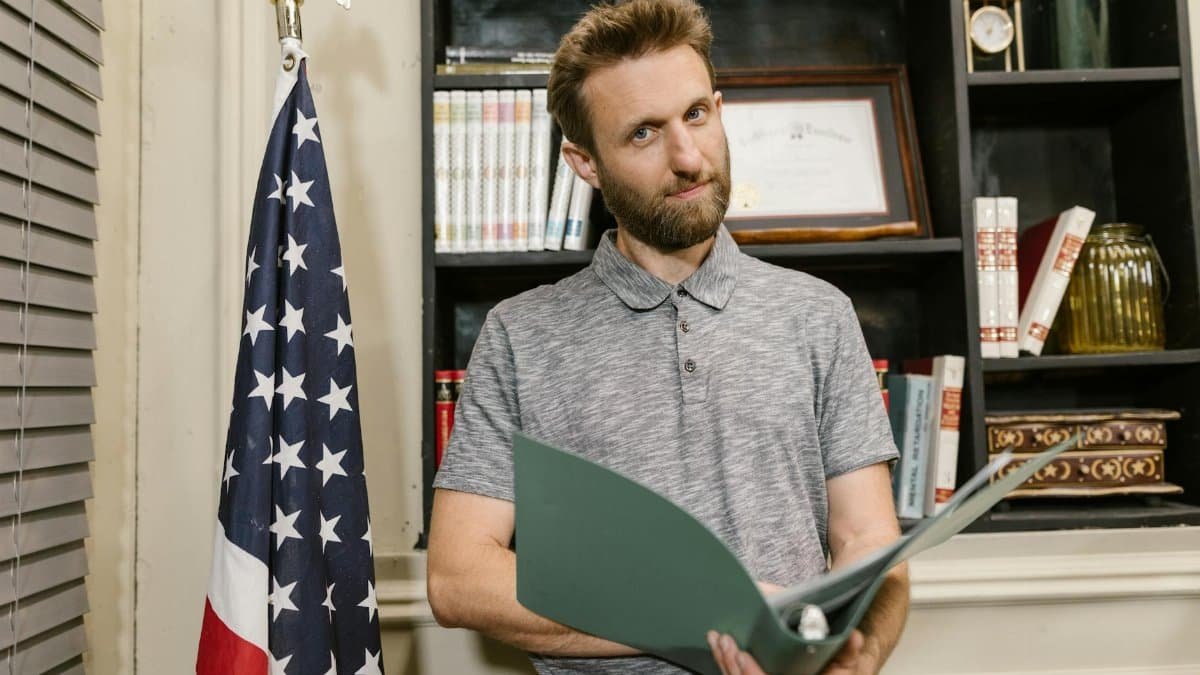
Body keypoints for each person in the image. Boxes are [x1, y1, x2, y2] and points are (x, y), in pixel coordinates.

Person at [426, 1, 910, 673]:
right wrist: (709, 616)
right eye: (644, 134)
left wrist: (860, 653)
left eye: (696, 116)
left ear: (718, 108)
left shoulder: (819, 316)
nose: (688, 157)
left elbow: (870, 542)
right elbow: (458, 576)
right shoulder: (520, 336)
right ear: (584, 161)